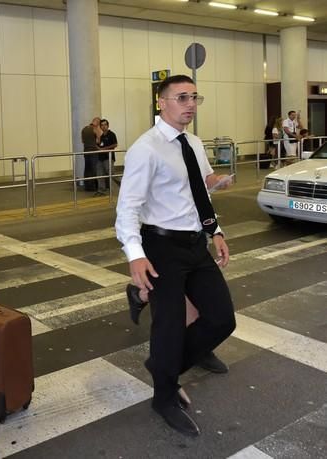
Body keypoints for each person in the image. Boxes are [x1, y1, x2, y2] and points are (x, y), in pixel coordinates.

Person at [115, 74, 236, 437]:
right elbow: (127, 208)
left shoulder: (194, 143)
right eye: (181, 97)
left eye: (194, 97)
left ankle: (164, 367)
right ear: (161, 102)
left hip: (195, 243)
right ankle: (163, 396)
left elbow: (198, 192)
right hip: (162, 247)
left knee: (221, 318)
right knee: (168, 328)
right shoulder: (145, 148)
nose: (190, 104)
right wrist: (135, 256)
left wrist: (215, 231)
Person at [96, 118, 118, 195]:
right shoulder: (101, 136)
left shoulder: (112, 134)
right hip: (101, 158)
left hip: (108, 158)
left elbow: (115, 144)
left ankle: (115, 190)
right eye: (102, 125)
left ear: (108, 126)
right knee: (100, 174)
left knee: (111, 174)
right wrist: (98, 141)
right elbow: (99, 146)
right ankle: (101, 190)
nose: (104, 126)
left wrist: (104, 149)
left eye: (105, 125)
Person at [81, 117, 101, 192]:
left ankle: (87, 186)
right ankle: (93, 187)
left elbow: (82, 141)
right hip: (93, 151)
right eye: (99, 123)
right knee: (94, 169)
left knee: (87, 169)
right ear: (97, 123)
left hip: (86, 151)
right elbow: (98, 141)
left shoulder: (84, 129)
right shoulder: (95, 129)